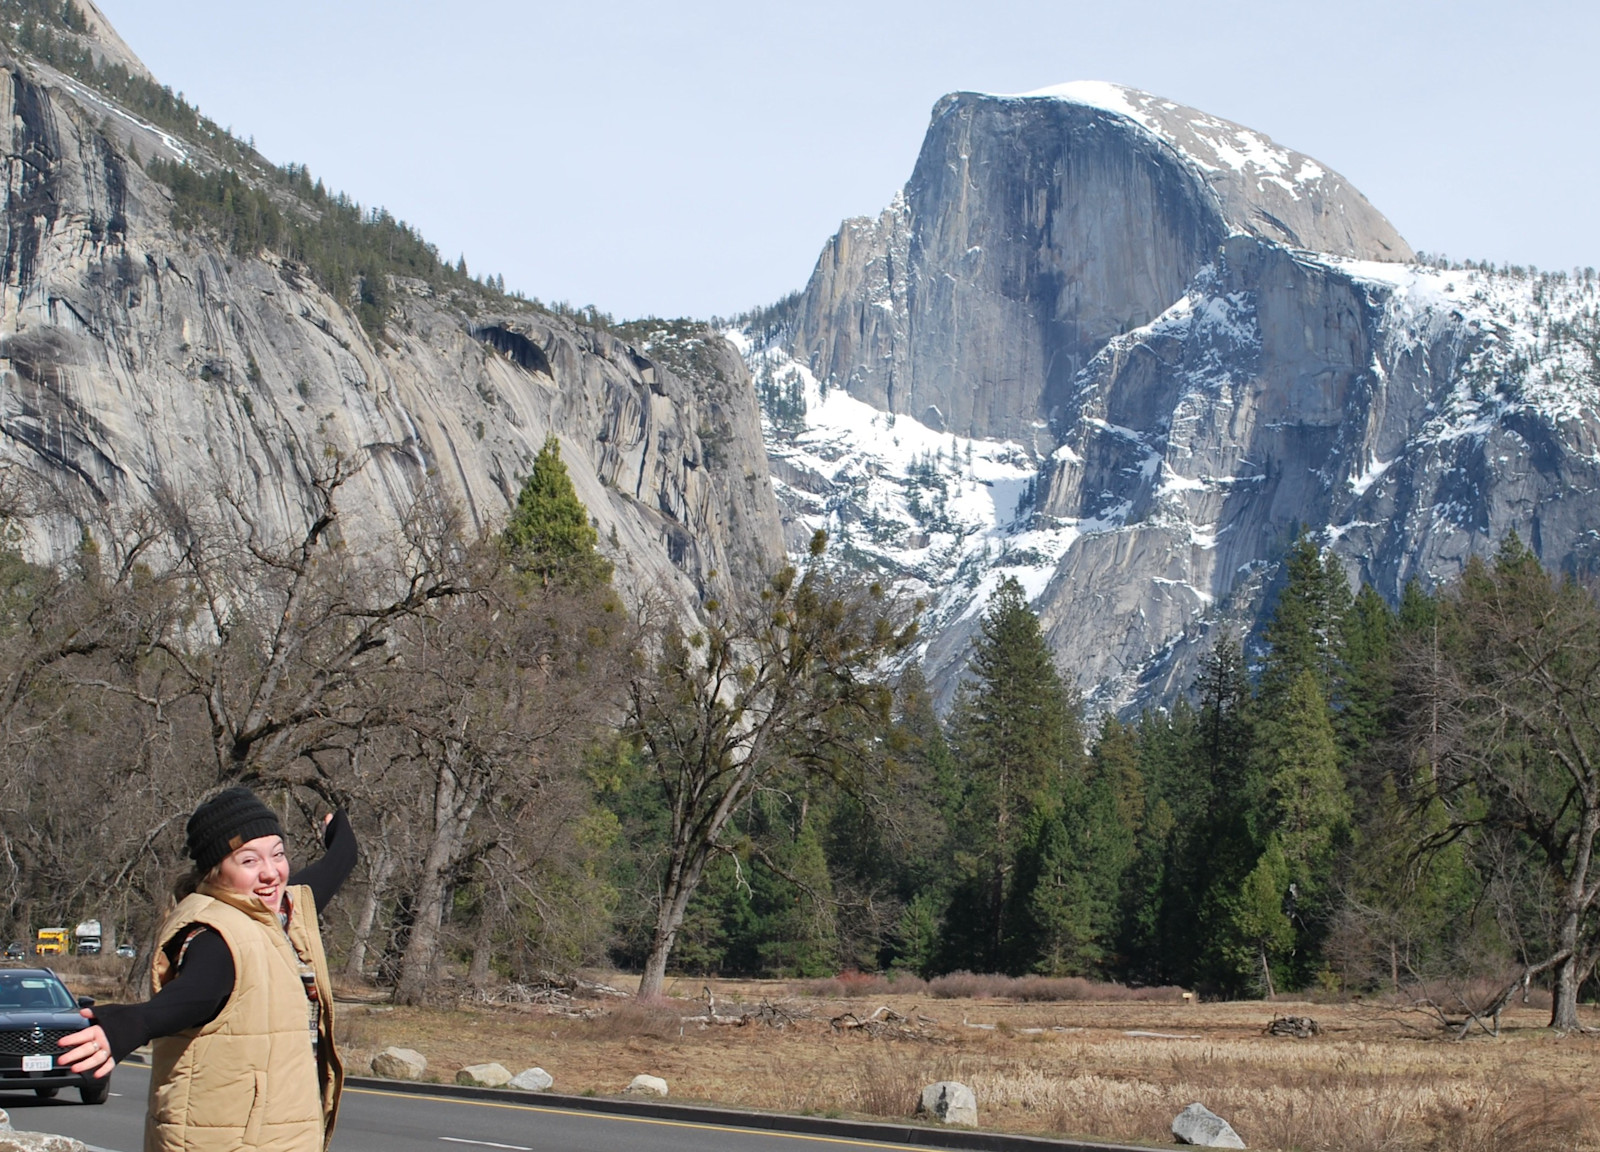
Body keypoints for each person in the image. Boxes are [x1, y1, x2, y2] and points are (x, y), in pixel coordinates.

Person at [58, 787, 356, 1152]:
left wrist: (338, 828)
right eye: (248, 861)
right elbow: (195, 995)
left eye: (277, 855)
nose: (270, 874)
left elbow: (338, 862)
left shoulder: (279, 913)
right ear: (216, 871)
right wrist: (130, 1025)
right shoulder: (215, 933)